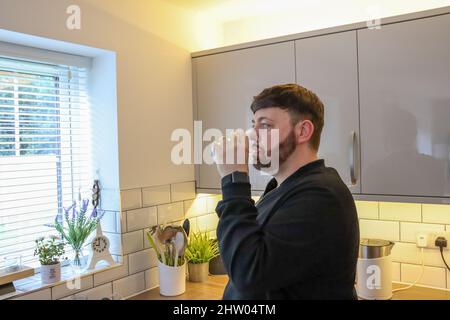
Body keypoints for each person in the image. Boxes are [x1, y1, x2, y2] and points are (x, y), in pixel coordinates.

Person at [213, 83, 360, 300]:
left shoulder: (322, 195)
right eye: (253, 125)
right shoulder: (282, 187)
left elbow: (249, 273)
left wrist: (234, 180)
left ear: (303, 131)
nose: (251, 136)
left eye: (264, 126)